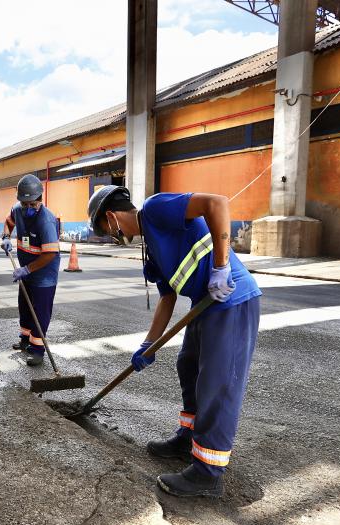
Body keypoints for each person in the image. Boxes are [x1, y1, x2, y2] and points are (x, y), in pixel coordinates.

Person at [86, 185, 261, 498]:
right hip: (203, 304)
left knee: (217, 385)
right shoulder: (151, 248)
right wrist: (148, 345)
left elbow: (218, 201)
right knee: (188, 367)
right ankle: (188, 438)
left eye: (106, 230)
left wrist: (221, 267)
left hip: (230, 298)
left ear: (111, 217)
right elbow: (167, 298)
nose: (112, 236)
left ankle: (208, 472)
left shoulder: (155, 209)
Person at [1, 174, 61, 366]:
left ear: (40, 200)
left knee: (40, 311)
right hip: (26, 271)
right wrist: (5, 237)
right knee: (25, 306)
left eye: (33, 204)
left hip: (44, 273)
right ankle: (25, 340)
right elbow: (9, 222)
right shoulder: (17, 209)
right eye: (25, 204)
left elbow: (49, 254)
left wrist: (26, 269)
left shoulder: (47, 221)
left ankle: (37, 350)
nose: (28, 208)